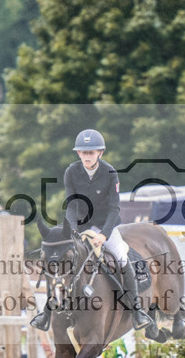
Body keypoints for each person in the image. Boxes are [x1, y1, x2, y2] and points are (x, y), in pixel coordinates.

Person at [30, 129, 154, 333]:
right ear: (78, 154)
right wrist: (70, 231)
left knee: (122, 257)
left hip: (106, 225)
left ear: (100, 153)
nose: (87, 156)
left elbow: (114, 208)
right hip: (80, 226)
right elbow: (71, 205)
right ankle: (47, 312)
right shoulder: (71, 172)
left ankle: (137, 310)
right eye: (83, 152)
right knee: (59, 259)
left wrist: (104, 234)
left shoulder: (110, 173)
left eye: (91, 152)